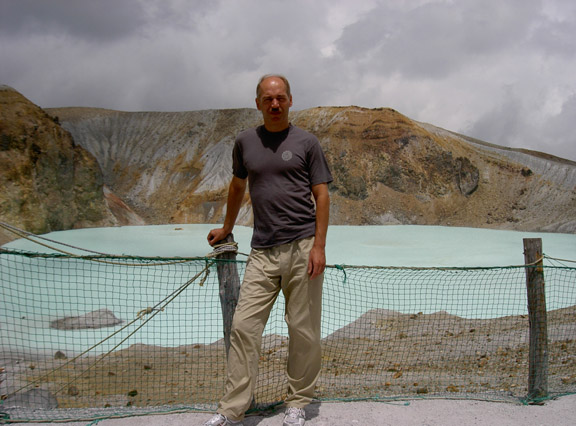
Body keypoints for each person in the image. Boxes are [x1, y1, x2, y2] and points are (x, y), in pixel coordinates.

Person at [203, 74, 332, 426]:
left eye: (280, 98)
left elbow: (322, 195)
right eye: (268, 99)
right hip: (262, 250)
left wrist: (319, 246)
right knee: (244, 326)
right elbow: (237, 186)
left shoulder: (307, 142)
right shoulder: (245, 141)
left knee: (303, 330)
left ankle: (297, 402)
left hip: (302, 246)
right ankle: (232, 408)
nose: (275, 104)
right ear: (258, 103)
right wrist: (227, 228)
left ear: (290, 100)